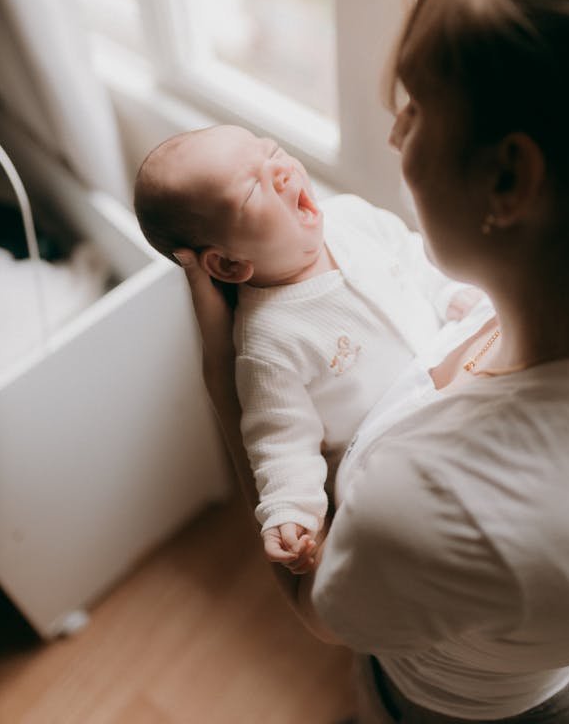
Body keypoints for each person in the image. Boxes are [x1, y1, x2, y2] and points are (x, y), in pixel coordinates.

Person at [174, 0, 569, 724]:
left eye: (417, 108)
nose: (395, 136)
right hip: (557, 666)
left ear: (509, 180)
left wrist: (221, 382)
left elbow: (322, 612)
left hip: (452, 705)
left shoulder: (430, 501)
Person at [134, 125, 481, 570]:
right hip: (390, 446)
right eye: (253, 187)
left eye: (272, 151)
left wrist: (447, 293)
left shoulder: (351, 216)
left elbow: (413, 254)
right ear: (228, 263)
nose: (281, 171)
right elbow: (279, 439)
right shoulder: (267, 341)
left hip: (450, 366)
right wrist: (290, 511)